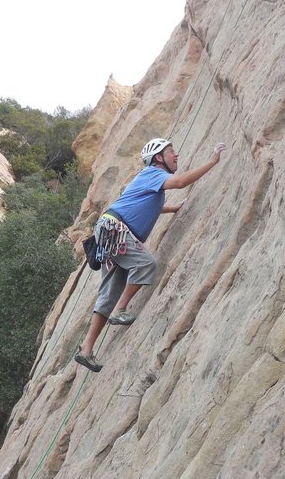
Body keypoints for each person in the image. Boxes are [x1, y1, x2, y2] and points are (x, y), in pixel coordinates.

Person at [74, 137, 227, 372]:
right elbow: (181, 182)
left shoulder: (148, 180)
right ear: (158, 158)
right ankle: (121, 310)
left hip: (110, 231)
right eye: (171, 151)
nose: (176, 155)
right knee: (146, 264)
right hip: (117, 231)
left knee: (110, 291)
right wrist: (213, 161)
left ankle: (86, 349)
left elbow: (141, 204)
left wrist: (170, 208)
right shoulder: (153, 173)